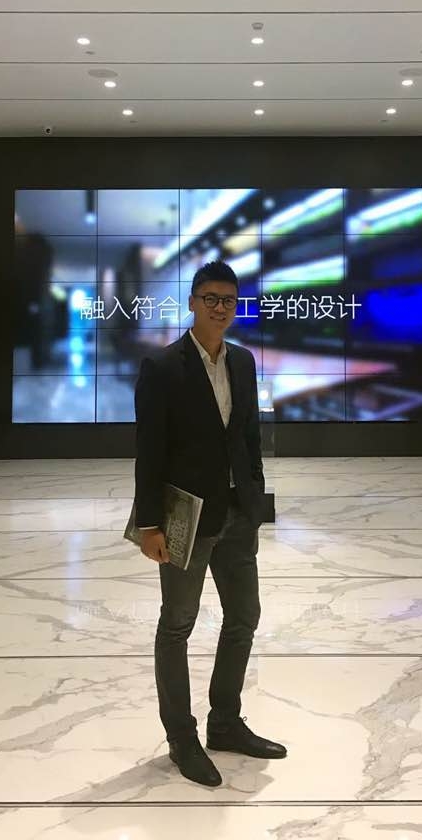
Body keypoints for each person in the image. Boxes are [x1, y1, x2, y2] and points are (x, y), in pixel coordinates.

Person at [134, 260, 287, 787]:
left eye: (229, 300)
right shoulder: (162, 368)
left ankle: (225, 722)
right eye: (211, 298)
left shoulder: (242, 361)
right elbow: (149, 451)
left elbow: (248, 437)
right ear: (193, 303)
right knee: (177, 624)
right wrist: (149, 524)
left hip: (237, 515)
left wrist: (255, 501)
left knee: (244, 615)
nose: (221, 308)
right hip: (186, 517)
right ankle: (182, 737)